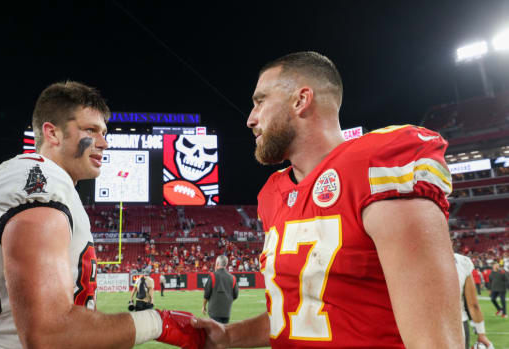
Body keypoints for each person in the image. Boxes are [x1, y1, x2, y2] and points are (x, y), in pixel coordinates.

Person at [192, 51, 462, 348]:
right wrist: (229, 336)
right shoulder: (273, 194)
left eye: (260, 101)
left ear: (300, 100)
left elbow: (436, 343)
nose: (250, 119)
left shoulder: (377, 169)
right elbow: (300, 315)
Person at [0, 81, 204, 349]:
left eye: (104, 132)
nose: (104, 143)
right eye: (91, 130)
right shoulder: (40, 179)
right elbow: (48, 333)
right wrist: (158, 323)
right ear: (52, 134)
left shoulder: (59, 188)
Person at [454, 253, 493, 348]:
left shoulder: (415, 258)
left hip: (420, 325)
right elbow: (473, 305)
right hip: (458, 323)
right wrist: (481, 334)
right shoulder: (462, 261)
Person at [202, 255, 238, 324]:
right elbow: (235, 295)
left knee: (216, 333)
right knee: (224, 332)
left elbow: (206, 294)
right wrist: (227, 300)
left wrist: (204, 306)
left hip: (214, 311)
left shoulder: (212, 276)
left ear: (217, 263)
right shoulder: (232, 278)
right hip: (226, 312)